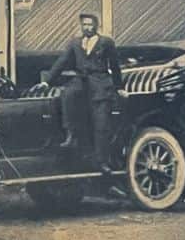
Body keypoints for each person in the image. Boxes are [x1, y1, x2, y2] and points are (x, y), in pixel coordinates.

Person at [34, 12, 123, 170]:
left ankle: (102, 162)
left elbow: (115, 66)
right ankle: (70, 134)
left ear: (97, 26)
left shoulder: (106, 42)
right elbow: (61, 62)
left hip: (101, 85)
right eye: (84, 25)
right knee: (67, 94)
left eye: (90, 24)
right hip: (82, 83)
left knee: (101, 124)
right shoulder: (75, 43)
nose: (87, 27)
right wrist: (46, 82)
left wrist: (120, 87)